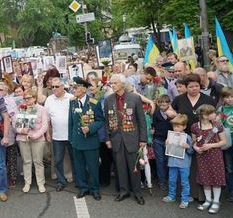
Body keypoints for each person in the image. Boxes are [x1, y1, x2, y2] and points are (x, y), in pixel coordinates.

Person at [172, 74, 215, 201]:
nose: (194, 88)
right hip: (184, 137)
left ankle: (202, 195)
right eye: (191, 86)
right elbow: (173, 114)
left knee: (202, 166)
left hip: (204, 137)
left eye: (196, 86)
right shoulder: (179, 99)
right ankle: (187, 193)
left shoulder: (207, 99)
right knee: (186, 166)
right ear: (186, 87)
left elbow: (214, 117)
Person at [104, 74, 146, 205]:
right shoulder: (108, 100)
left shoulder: (135, 98)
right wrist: (107, 138)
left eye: (115, 83)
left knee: (134, 167)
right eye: (111, 83)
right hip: (116, 138)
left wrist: (143, 139)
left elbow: (141, 120)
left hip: (132, 137)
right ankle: (123, 191)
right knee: (120, 167)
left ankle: (137, 193)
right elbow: (107, 121)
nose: (112, 85)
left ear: (122, 84)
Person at [69, 77, 105, 200]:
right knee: (79, 166)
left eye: (77, 87)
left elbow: (100, 120)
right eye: (74, 87)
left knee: (93, 167)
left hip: (90, 141)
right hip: (77, 141)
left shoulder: (94, 103)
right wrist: (71, 139)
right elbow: (71, 122)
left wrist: (90, 128)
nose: (75, 90)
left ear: (84, 89)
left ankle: (95, 189)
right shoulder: (72, 102)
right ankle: (83, 188)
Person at [191, 104, 227, 214]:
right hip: (202, 156)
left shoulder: (217, 125)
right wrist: (196, 148)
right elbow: (194, 142)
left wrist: (210, 146)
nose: (214, 114)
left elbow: (223, 141)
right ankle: (208, 200)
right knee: (205, 177)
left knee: (216, 177)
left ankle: (216, 201)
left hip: (215, 155)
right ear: (205, 115)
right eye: (212, 113)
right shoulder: (195, 127)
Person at [14, 87, 48, 194]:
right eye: (25, 98)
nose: (26, 100)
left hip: (37, 138)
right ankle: (27, 182)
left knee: (38, 161)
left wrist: (37, 135)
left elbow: (45, 125)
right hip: (23, 138)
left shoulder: (41, 109)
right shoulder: (22, 108)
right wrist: (22, 130)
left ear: (34, 98)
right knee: (26, 161)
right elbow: (15, 125)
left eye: (28, 98)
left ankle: (40, 183)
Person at [44, 77, 75, 191]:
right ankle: (61, 181)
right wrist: (47, 133)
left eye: (57, 86)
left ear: (63, 87)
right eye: (52, 87)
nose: (54, 89)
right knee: (58, 160)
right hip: (57, 136)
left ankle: (78, 179)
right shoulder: (49, 99)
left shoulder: (71, 98)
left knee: (74, 159)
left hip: (72, 135)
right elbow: (46, 119)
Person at [162, 114, 193, 209]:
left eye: (178, 126)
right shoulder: (171, 135)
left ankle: (185, 199)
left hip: (184, 164)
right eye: (174, 126)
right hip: (172, 162)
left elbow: (191, 151)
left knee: (184, 182)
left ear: (184, 126)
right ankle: (171, 196)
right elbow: (167, 149)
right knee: (171, 180)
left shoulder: (187, 137)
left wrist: (187, 147)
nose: (175, 128)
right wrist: (166, 144)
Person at [151, 95, 176, 190]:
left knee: (168, 160)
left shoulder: (173, 114)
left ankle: (170, 180)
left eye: (165, 105)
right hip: (158, 139)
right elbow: (153, 125)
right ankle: (162, 181)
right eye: (161, 105)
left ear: (169, 104)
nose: (162, 107)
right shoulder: (156, 113)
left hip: (169, 139)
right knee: (160, 161)